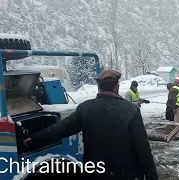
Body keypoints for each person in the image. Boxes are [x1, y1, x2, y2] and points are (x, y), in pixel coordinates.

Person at [23, 70, 159, 180]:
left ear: (100, 87)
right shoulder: (131, 110)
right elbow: (143, 150)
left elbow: (60, 129)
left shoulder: (86, 108)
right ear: (117, 86)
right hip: (124, 174)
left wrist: (33, 140)